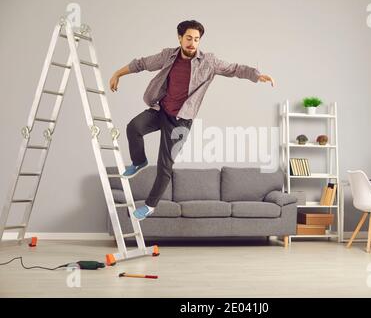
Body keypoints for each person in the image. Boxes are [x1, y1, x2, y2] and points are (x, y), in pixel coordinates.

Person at [109, 20, 275, 221]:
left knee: (165, 166)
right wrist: (118, 73)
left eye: (196, 39)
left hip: (181, 121)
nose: (192, 43)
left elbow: (235, 69)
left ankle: (150, 206)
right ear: (180, 38)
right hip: (160, 110)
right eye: (189, 38)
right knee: (134, 127)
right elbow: (141, 63)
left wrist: (257, 76)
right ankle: (139, 161)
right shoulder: (168, 55)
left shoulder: (208, 61)